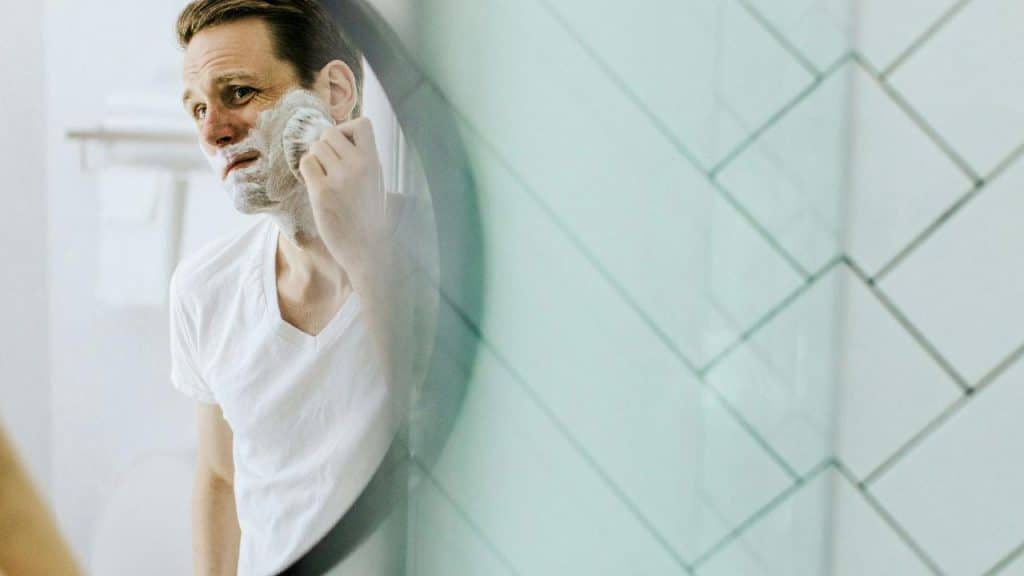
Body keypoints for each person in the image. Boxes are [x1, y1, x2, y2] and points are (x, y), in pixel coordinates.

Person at [170, 1, 432, 574]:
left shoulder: (436, 250)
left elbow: (433, 420)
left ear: (334, 93)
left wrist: (364, 250)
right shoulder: (204, 289)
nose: (212, 132)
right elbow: (219, 476)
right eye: (198, 109)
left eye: (239, 93)